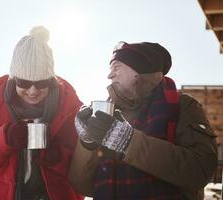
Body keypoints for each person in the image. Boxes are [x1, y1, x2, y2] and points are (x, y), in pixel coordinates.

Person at [69, 41, 218, 199]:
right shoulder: (106, 114)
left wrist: (127, 141)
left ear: (139, 71)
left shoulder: (183, 106)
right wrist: (86, 143)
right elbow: (82, 186)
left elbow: (200, 171)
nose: (110, 75)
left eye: (117, 67)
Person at [0, 26, 83, 200]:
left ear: (51, 80)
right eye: (24, 82)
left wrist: (58, 156)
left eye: (41, 83)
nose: (32, 91)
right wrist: (5, 137)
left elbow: (81, 167)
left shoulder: (67, 106)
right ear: (13, 79)